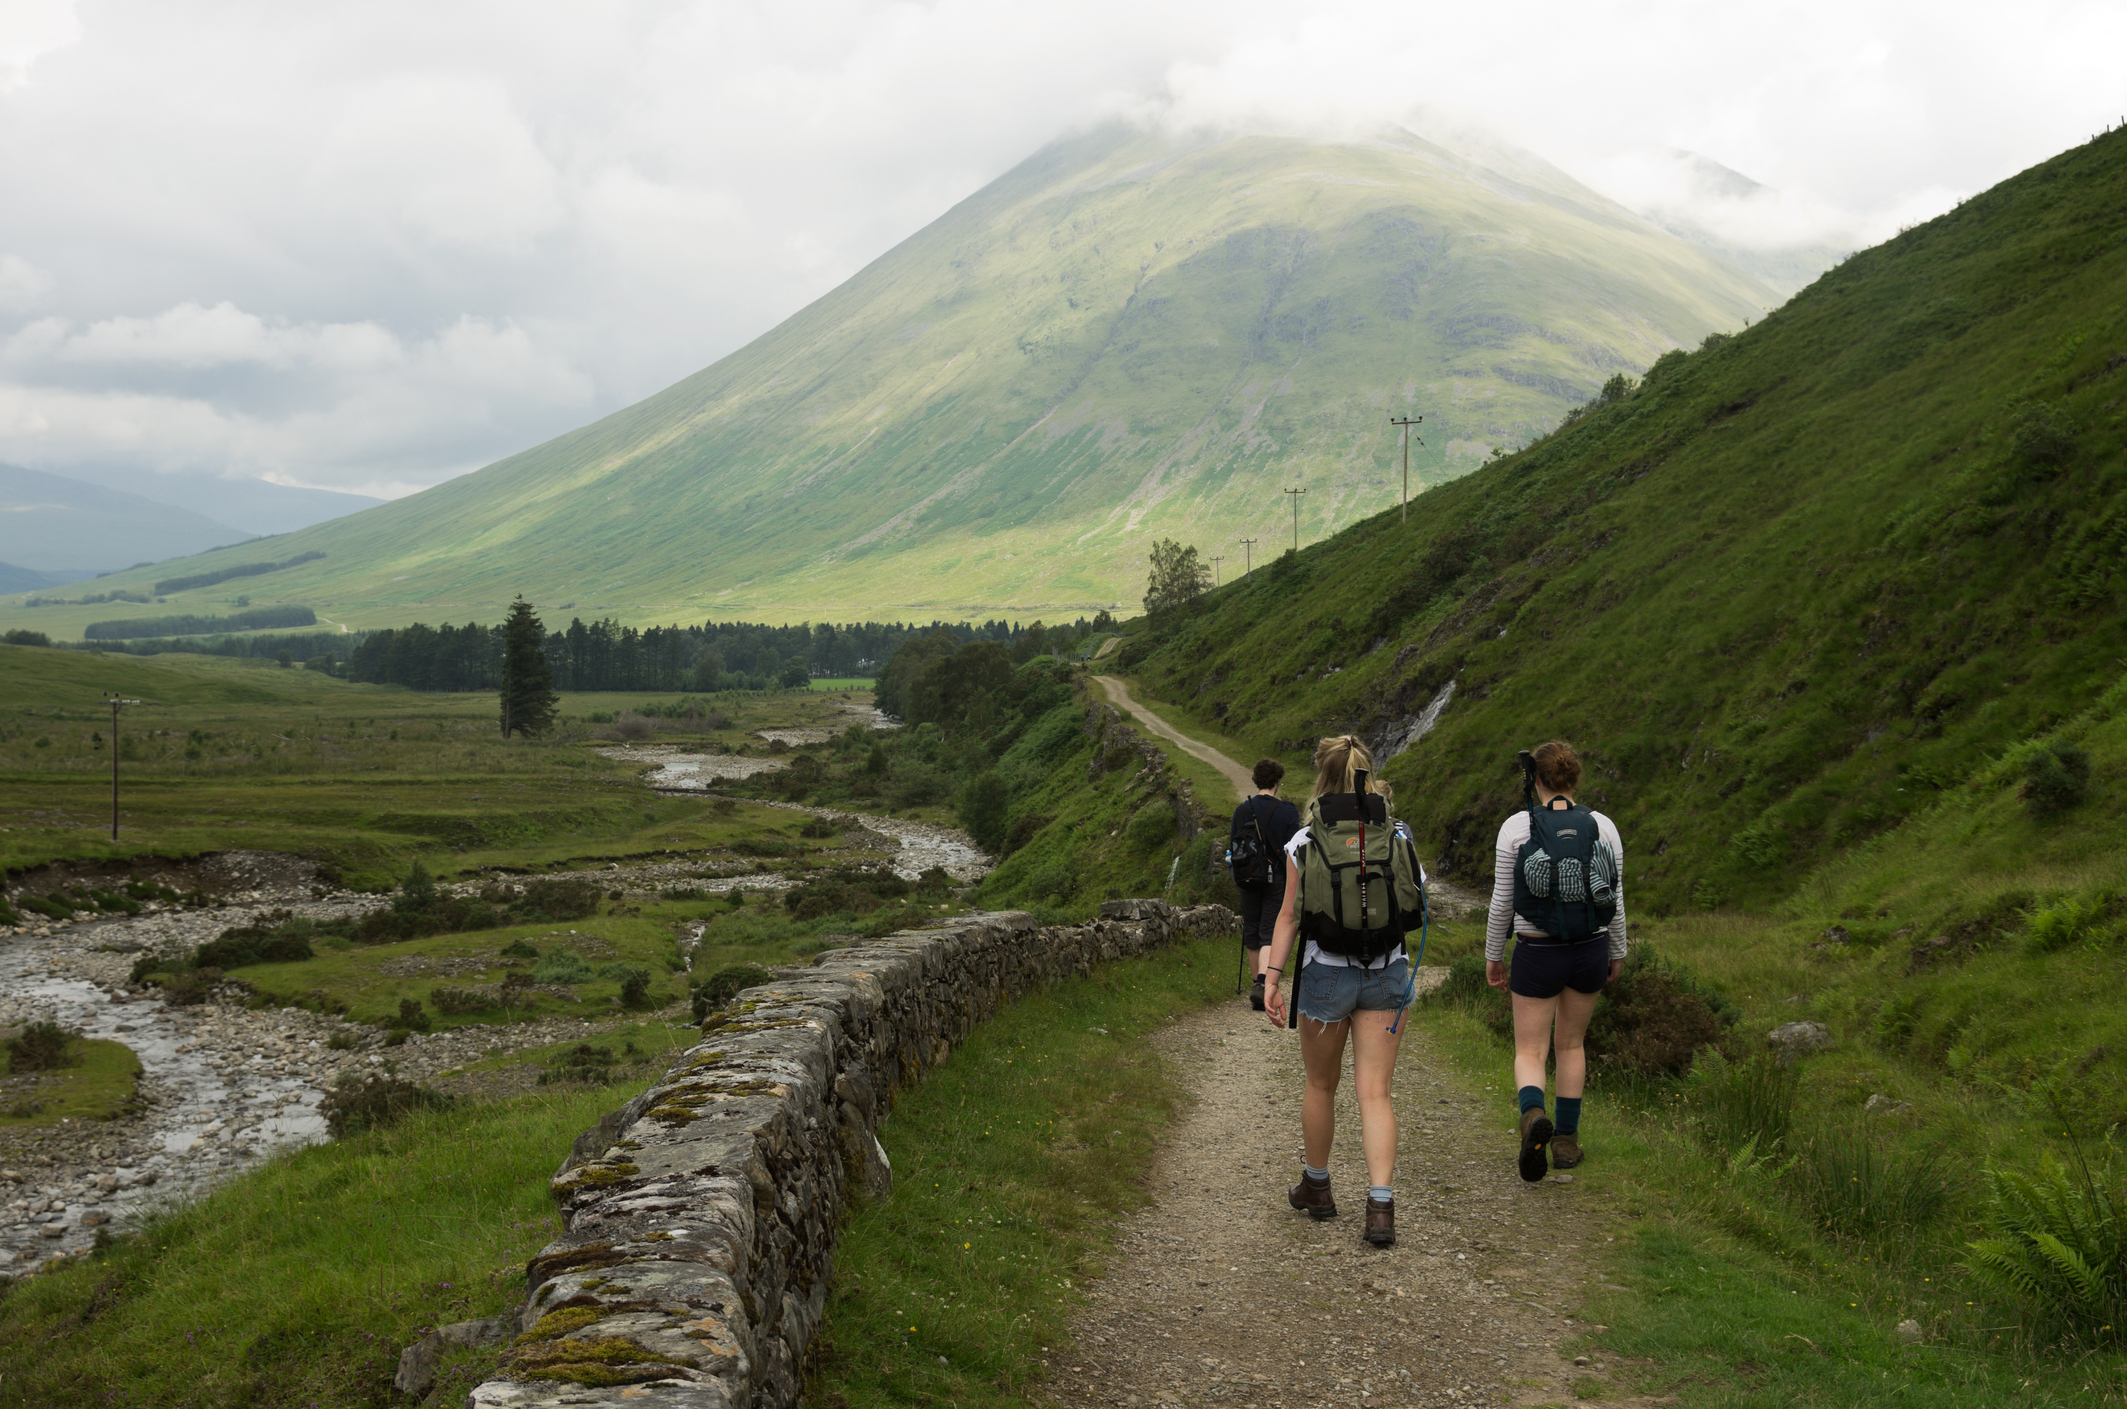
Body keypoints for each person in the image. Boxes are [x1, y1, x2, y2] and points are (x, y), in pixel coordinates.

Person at [1260, 734, 1419, 1247]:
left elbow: (1287, 916)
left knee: (1320, 1085)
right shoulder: (1397, 831)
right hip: (1388, 969)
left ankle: (1318, 1187)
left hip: (1326, 972)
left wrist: (1273, 978)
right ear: (1369, 773)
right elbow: (1416, 895)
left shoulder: (1305, 840)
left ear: (1321, 777)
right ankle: (1380, 1207)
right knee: (1376, 1092)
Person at [1484, 740, 1627, 1181]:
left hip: (1536, 950)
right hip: (1589, 948)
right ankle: (1565, 1142)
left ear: (1536, 780)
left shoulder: (1515, 827)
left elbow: (1502, 903)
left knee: (1530, 1049)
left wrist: (1493, 955)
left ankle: (1531, 1118)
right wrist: (1617, 950)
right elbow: (1615, 897)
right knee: (1571, 1046)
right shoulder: (1603, 826)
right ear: (1573, 778)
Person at [1231, 759, 1301, 1010]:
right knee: (1270, 929)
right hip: (1277, 877)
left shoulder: (1241, 810)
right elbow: (1296, 849)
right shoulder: (1288, 811)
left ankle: (1255, 984)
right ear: (1277, 782)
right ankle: (1263, 983)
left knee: (1251, 929)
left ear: (1256, 780)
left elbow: (1233, 846)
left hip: (1247, 877)